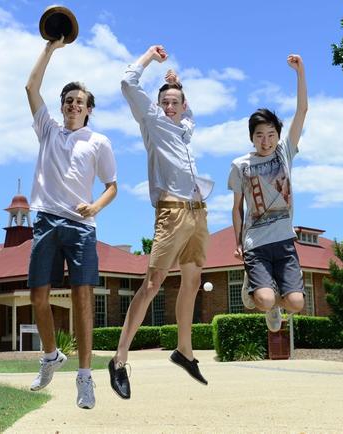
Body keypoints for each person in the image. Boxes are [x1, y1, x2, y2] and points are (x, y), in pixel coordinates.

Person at [108, 45, 214, 400]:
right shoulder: (151, 119)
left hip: (198, 211)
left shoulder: (185, 127)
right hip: (171, 212)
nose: (170, 106)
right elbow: (127, 82)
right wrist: (150, 58)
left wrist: (178, 84)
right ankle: (119, 360)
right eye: (165, 101)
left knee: (193, 280)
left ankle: (184, 351)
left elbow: (189, 111)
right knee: (152, 285)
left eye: (175, 102)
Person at [25, 37, 118, 410]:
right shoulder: (48, 130)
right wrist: (50, 48)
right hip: (46, 221)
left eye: (80, 102)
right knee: (38, 296)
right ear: (62, 107)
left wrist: (93, 205)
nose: (72, 105)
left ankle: (84, 378)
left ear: (89, 109)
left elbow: (113, 187)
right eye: (68, 101)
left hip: (82, 227)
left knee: (83, 298)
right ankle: (50, 356)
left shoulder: (98, 141)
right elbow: (31, 87)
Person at [228, 54, 308, 332]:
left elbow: (302, 112)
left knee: (296, 303)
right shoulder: (241, 165)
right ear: (252, 137)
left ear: (278, 135)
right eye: (260, 135)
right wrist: (237, 241)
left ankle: (276, 303)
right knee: (263, 298)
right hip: (256, 242)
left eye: (271, 134)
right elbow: (238, 207)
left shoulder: (285, 152)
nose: (266, 140)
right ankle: (259, 292)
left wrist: (300, 72)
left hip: (285, 241)